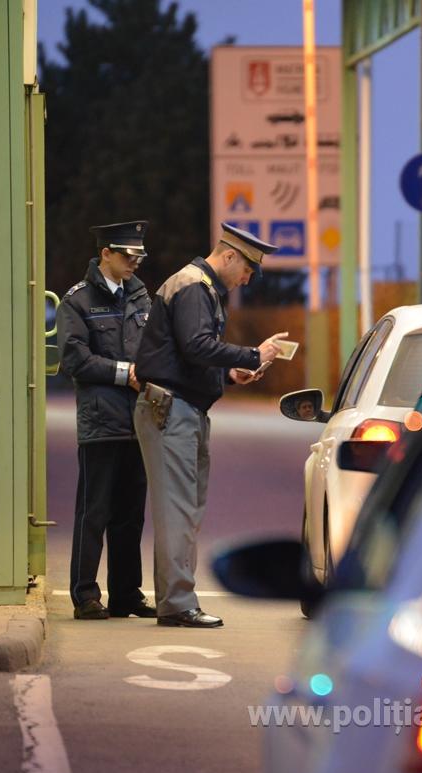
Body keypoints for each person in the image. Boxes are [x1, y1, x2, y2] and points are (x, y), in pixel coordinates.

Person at [134, 223, 284, 628]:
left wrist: (229, 375)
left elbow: (185, 357)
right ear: (230, 255)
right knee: (178, 511)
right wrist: (253, 355)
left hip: (183, 408)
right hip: (171, 409)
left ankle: (176, 601)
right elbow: (196, 346)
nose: (248, 279)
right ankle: (178, 604)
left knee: (184, 510)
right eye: (249, 269)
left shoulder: (202, 288)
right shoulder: (194, 286)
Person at [58, 221, 156, 620]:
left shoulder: (140, 296)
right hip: (100, 423)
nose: (135, 262)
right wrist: (126, 372)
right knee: (93, 512)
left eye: (139, 255)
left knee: (131, 514)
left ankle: (126, 594)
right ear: (106, 255)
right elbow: (74, 359)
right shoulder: (77, 301)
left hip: (138, 422)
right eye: (128, 255)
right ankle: (85, 595)